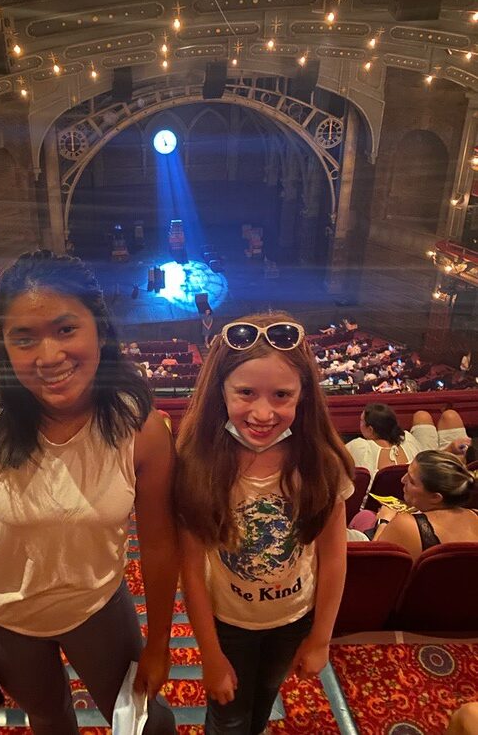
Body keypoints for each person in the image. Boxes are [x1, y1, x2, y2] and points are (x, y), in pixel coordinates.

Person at [0, 250, 178, 735]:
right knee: (50, 721)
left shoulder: (141, 429)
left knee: (149, 723)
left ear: (100, 331)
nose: (48, 357)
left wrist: (159, 643)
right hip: (4, 618)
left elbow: (159, 543)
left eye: (66, 330)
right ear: (5, 347)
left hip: (98, 607)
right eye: (24, 339)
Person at [174, 313, 354, 734]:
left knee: (259, 709)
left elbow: (333, 558)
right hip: (228, 624)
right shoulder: (196, 464)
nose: (262, 412)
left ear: (302, 395)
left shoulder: (322, 464)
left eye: (281, 395)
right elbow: (191, 572)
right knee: (227, 716)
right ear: (221, 391)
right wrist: (211, 656)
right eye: (245, 393)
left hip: (294, 620)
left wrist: (321, 637)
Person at [369, 451, 478, 559]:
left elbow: (375, 567)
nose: (403, 480)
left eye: (412, 481)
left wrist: (383, 521)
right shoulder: (475, 514)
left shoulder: (406, 525)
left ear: (435, 497)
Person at [346, 404, 470, 485]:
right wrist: (449, 450)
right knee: (437, 416)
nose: (360, 423)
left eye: (361, 421)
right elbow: (428, 463)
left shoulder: (359, 446)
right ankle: (454, 459)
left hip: (424, 480)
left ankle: (453, 459)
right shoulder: (406, 439)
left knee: (424, 416)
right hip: (428, 472)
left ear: (370, 429)